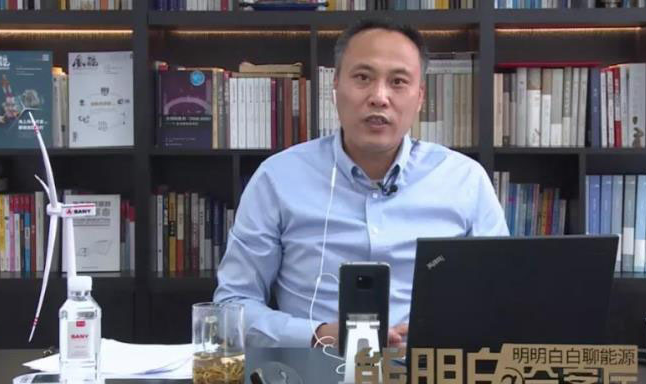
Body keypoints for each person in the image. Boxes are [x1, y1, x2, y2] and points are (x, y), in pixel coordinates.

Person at [213, 18, 509, 349]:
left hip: (432, 365)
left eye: (398, 82)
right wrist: (319, 335)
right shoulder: (277, 179)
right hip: (314, 365)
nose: (379, 97)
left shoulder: (464, 180)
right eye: (363, 78)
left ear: (420, 97)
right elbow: (232, 305)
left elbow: (501, 295)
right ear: (335, 86)